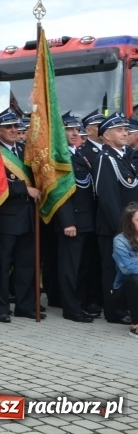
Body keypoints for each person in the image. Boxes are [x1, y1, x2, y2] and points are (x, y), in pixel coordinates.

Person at [0, 109, 42, 322]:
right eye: (8, 127)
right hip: (5, 217)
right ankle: (0, 308)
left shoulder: (24, 150)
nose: (13, 130)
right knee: (1, 266)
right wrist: (23, 189)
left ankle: (25, 305)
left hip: (28, 216)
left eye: (15, 127)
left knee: (25, 265)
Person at [93, 112, 138, 324]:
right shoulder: (105, 158)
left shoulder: (122, 157)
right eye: (119, 130)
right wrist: (121, 229)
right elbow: (108, 197)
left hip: (129, 226)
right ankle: (113, 312)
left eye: (126, 130)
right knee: (113, 270)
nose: (125, 133)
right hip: (115, 228)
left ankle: (125, 308)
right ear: (107, 135)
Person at [54, 112, 98, 322]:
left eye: (76, 129)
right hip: (73, 222)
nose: (74, 133)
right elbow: (60, 194)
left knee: (83, 266)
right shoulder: (60, 158)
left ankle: (80, 304)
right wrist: (68, 221)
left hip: (87, 220)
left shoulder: (79, 155)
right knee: (70, 268)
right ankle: (71, 309)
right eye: (69, 129)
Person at [111, 203, 138, 338]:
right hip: (124, 290)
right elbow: (127, 269)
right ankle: (135, 326)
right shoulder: (120, 241)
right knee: (135, 278)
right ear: (129, 222)